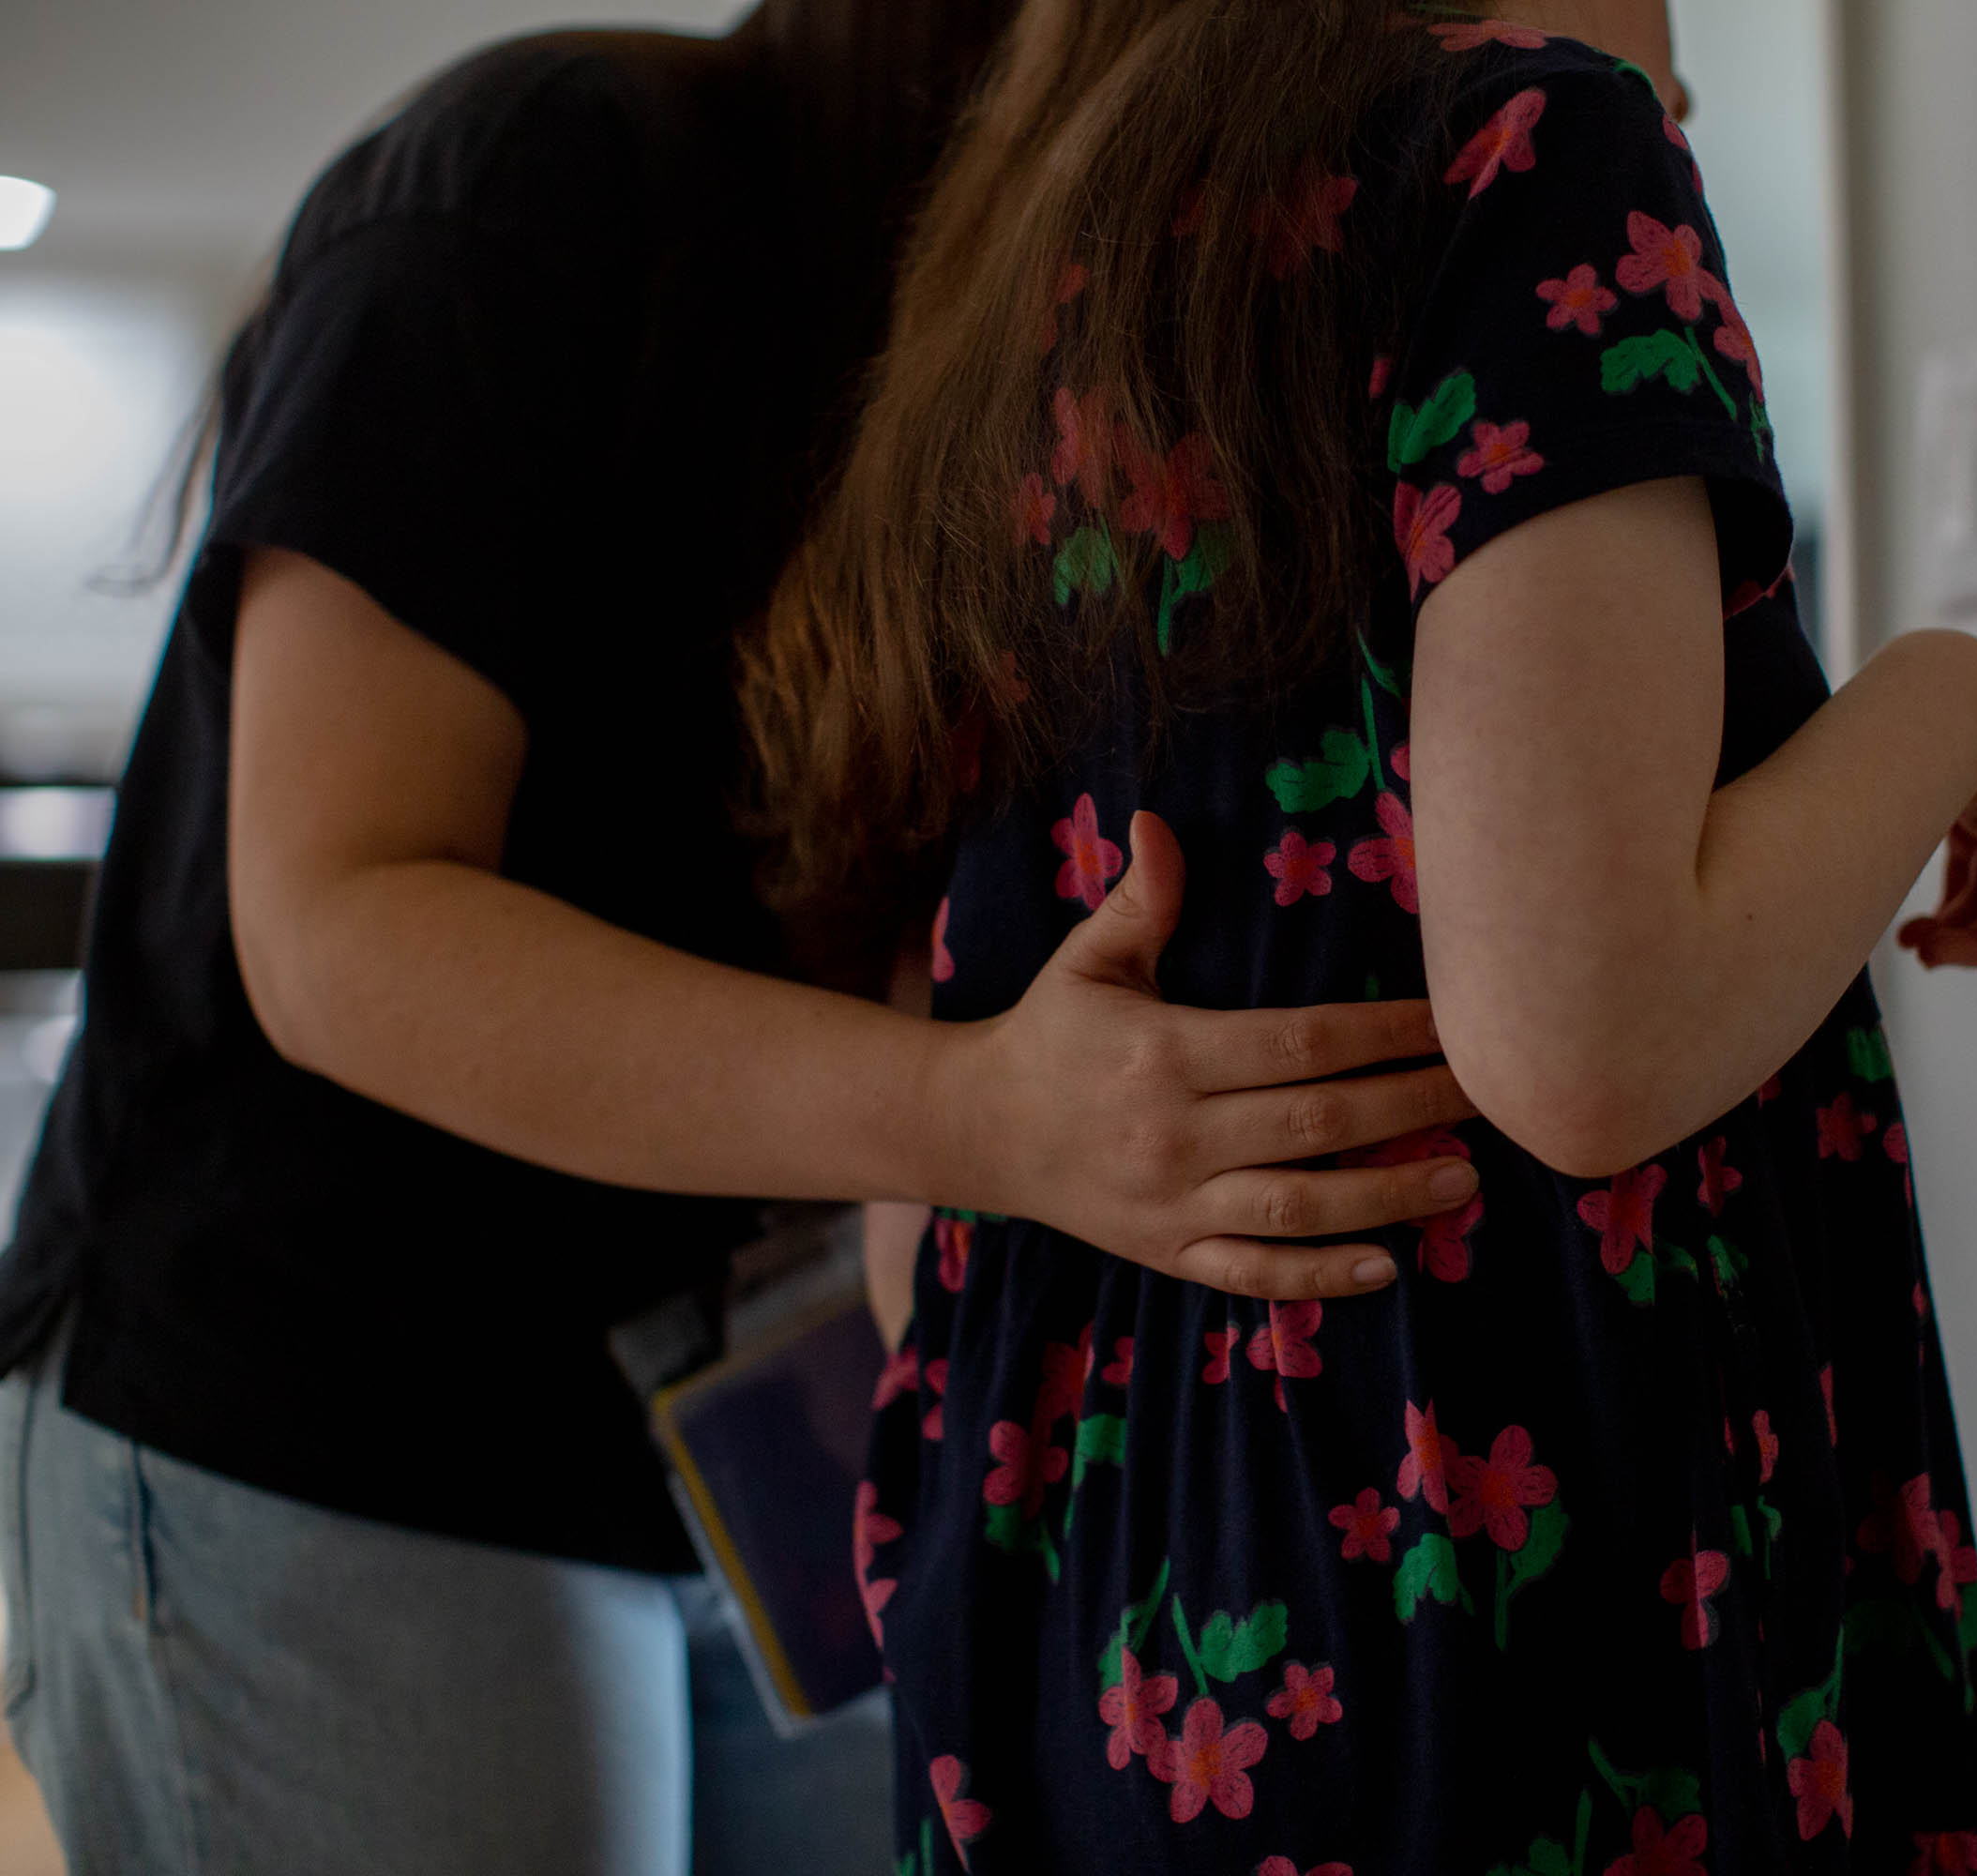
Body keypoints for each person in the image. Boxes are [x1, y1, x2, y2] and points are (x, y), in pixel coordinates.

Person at [0, 5, 1486, 1873]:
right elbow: (337, 926)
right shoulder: (551, 178)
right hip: (320, 1394)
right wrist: (979, 1115)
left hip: (714, 1436)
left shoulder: (1068, 365)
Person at [751, 0, 1977, 1869]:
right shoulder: (1536, 163)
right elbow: (1593, 1037)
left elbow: (923, 1240)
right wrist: (1955, 702)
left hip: (1067, 1638)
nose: (1680, 72)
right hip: (1489, 1631)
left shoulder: (1016, 329)